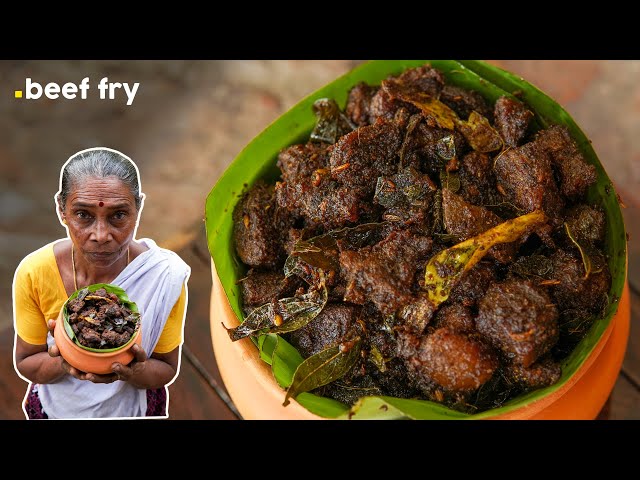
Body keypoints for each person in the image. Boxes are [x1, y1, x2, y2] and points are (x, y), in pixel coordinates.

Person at [12, 147, 191, 419]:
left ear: (138, 208)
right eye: (83, 215)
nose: (101, 235)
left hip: (132, 409)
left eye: (118, 215)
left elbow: (166, 367)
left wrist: (135, 371)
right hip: (60, 408)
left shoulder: (163, 275)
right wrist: (65, 358)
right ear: (61, 209)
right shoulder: (35, 273)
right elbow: (25, 362)